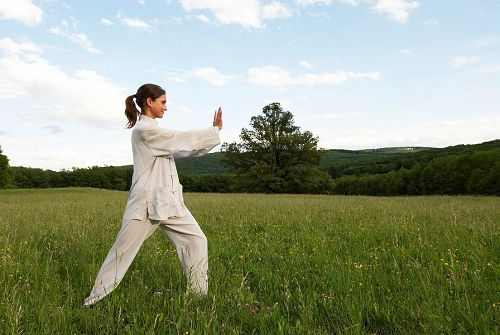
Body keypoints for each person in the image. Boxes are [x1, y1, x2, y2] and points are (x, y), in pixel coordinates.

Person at [83, 83, 223, 306]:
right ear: (150, 102)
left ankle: (197, 297)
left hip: (169, 203)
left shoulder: (155, 132)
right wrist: (213, 131)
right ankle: (93, 300)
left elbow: (186, 149)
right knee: (121, 253)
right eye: (163, 102)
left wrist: (213, 135)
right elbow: (179, 139)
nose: (166, 107)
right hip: (147, 205)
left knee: (196, 241)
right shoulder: (145, 130)